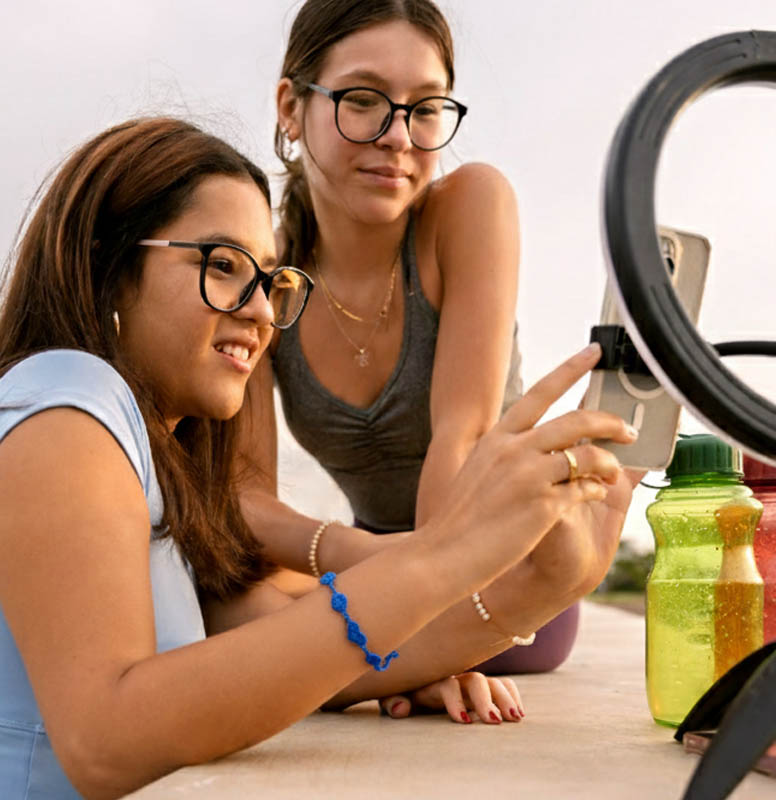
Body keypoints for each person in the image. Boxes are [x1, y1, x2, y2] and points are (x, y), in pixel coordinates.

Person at [0, 117, 635, 800]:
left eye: (269, 279)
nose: (260, 311)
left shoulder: (149, 451)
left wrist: (541, 584)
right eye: (222, 266)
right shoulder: (65, 407)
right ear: (107, 264)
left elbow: (270, 648)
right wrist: (443, 557)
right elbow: (105, 738)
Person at [236, 0, 577, 703]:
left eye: (424, 109)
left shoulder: (468, 206)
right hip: (370, 576)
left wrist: (420, 635)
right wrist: (360, 567)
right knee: (232, 613)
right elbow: (245, 499)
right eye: (363, 101)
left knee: (273, 640)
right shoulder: (267, 272)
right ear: (291, 108)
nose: (398, 137)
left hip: (499, 576)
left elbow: (463, 436)